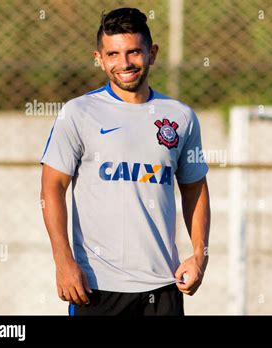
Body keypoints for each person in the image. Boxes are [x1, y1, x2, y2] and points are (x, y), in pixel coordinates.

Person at [40, 7, 210, 316]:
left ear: (152, 53)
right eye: (113, 54)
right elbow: (52, 188)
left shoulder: (180, 116)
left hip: (163, 286)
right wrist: (63, 261)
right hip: (96, 287)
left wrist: (199, 255)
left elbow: (194, 188)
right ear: (99, 58)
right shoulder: (78, 113)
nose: (125, 63)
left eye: (134, 52)